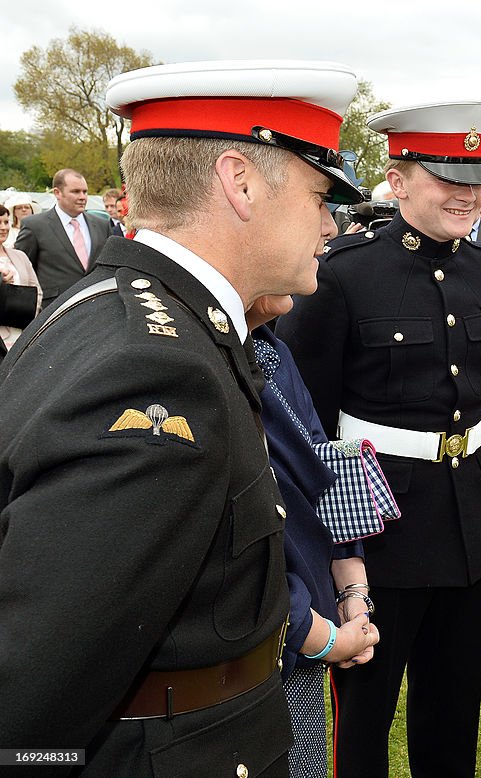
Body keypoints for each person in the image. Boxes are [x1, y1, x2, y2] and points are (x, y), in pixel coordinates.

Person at [0, 59, 363, 776]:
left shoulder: (119, 307)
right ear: (241, 181)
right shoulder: (161, 368)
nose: (330, 222)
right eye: (322, 194)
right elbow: (33, 695)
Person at [276, 100, 481, 778]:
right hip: (378, 529)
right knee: (364, 716)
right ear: (400, 178)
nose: (467, 194)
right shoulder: (343, 274)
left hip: (471, 521)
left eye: (476, 179)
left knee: (452, 709)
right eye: (446, 176)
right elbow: (307, 421)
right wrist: (332, 549)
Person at [249, 315, 380, 778]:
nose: (323, 240)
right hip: (262, 645)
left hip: (308, 633)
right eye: (314, 234)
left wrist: (353, 591)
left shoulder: (272, 349)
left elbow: (322, 465)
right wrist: (322, 638)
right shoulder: (211, 351)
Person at [14, 168, 115, 307]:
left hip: (96, 308)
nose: (82, 197)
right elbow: (23, 270)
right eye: (75, 192)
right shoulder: (35, 226)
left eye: (85, 192)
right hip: (54, 311)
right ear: (57, 193)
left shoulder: (102, 224)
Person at [0, 204, 42, 349]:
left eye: (6, 222)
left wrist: (26, 317)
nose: (3, 227)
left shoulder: (20, 256)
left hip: (20, 331)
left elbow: (36, 290)